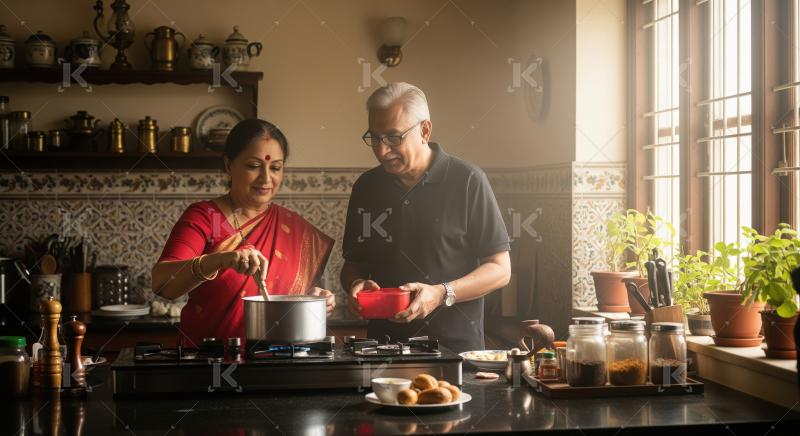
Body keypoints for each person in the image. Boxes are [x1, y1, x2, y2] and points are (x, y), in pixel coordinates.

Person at [341, 82, 511, 353]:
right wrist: (356, 285)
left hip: (456, 350)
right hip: (383, 347)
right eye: (375, 138)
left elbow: (501, 270)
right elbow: (354, 265)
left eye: (394, 137)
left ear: (424, 130)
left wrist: (441, 293)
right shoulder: (366, 187)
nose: (382, 151)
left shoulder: (468, 180)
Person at [152, 119, 335, 347]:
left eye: (275, 168)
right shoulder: (205, 217)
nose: (266, 178)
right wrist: (220, 260)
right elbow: (162, 284)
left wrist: (316, 301)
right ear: (229, 165)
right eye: (253, 166)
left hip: (277, 364)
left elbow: (294, 299)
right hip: (209, 361)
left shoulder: (294, 229)